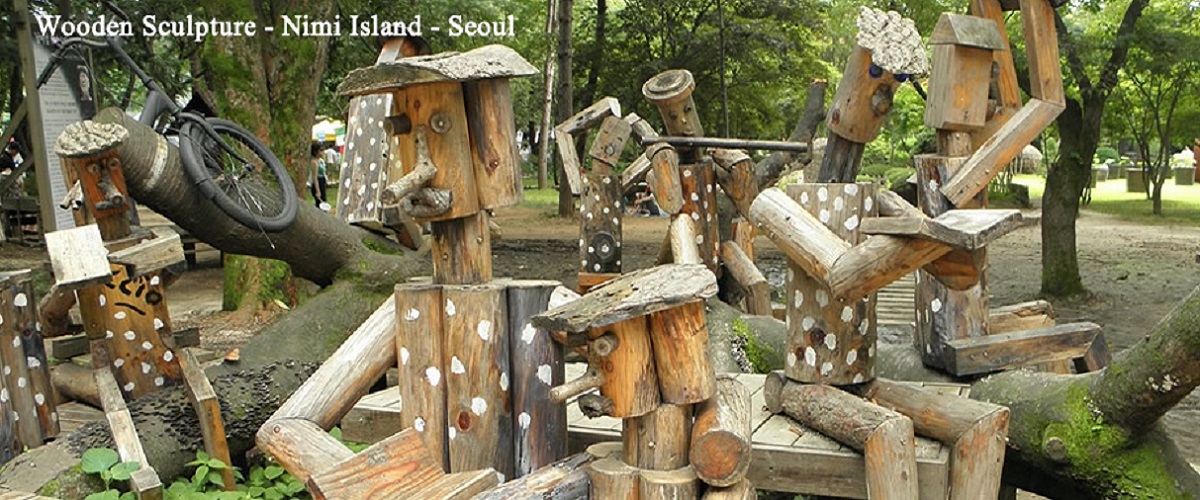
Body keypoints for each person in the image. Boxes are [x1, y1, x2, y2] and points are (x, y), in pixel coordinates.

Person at [310, 143, 328, 209]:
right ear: (316, 151)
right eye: (321, 150)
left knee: (324, 201)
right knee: (320, 203)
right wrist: (318, 191)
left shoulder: (321, 161)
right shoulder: (314, 162)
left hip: (322, 181)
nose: (323, 152)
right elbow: (315, 178)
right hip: (318, 183)